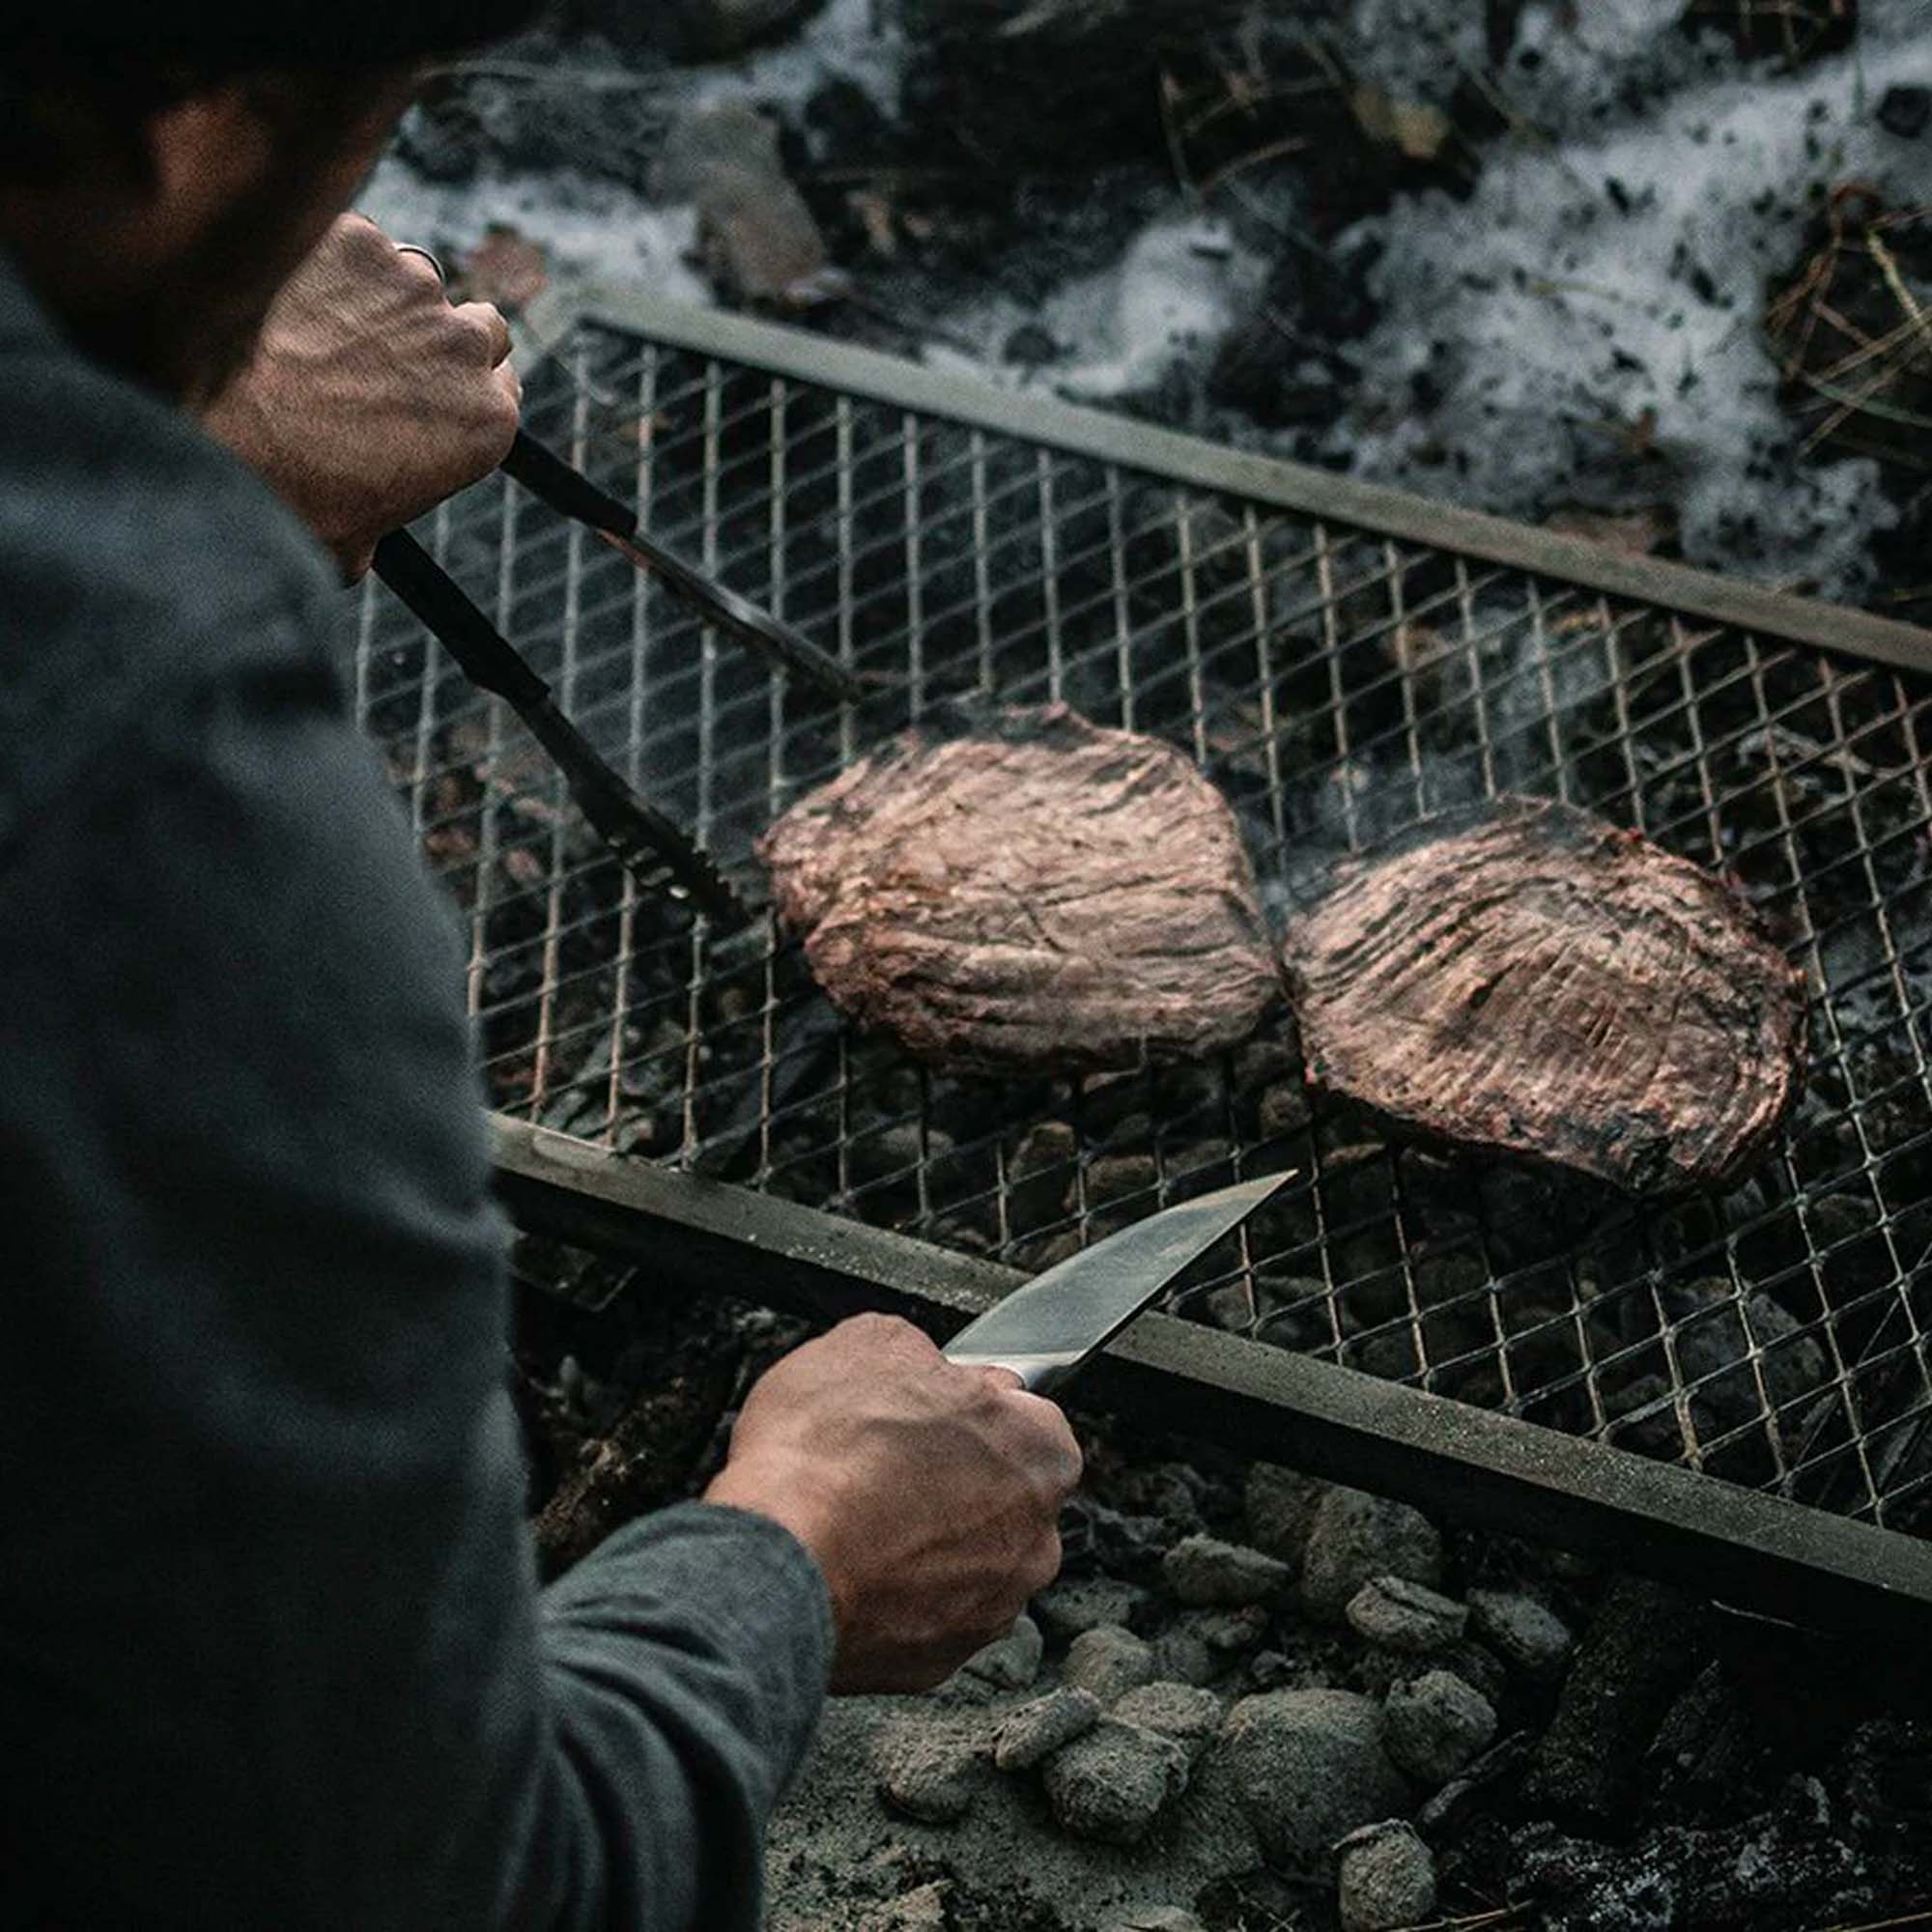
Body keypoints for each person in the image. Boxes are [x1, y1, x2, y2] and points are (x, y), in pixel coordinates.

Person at [0, 16, 1082, 1929]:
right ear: (194, 123)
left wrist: (195, 428)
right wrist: (794, 1554)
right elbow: (443, 1887)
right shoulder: (141, 776)